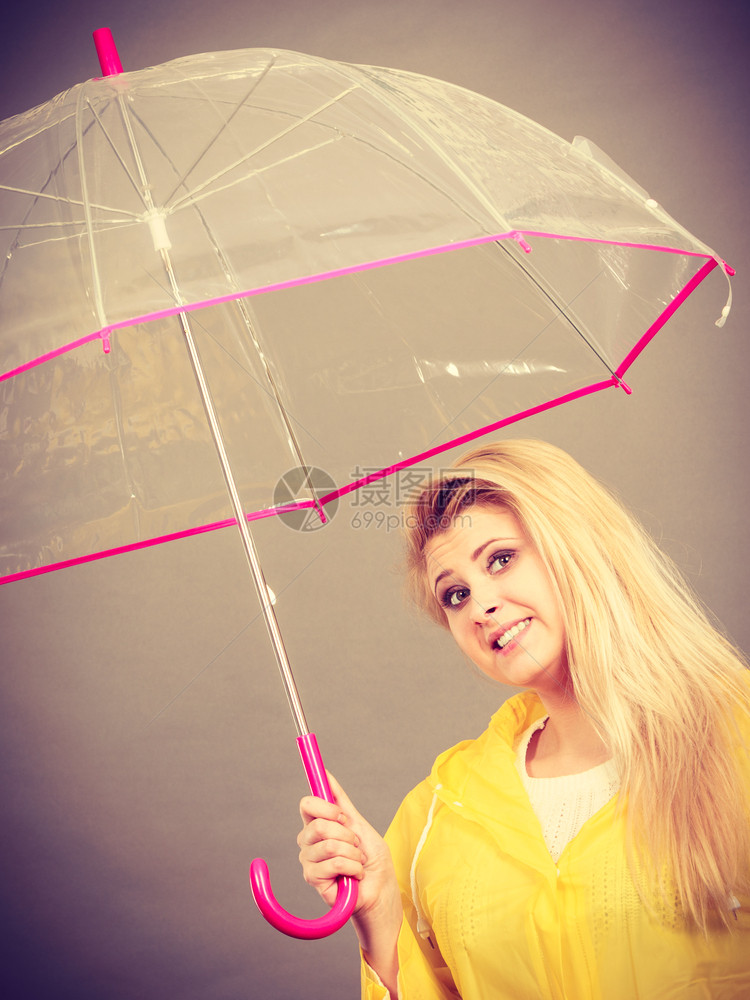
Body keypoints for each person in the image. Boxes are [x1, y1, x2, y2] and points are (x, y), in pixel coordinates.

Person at [298, 439, 750, 999]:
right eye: (455, 594)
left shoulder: (737, 740)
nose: (481, 605)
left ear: (574, 545)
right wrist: (382, 915)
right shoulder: (438, 813)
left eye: (501, 559)